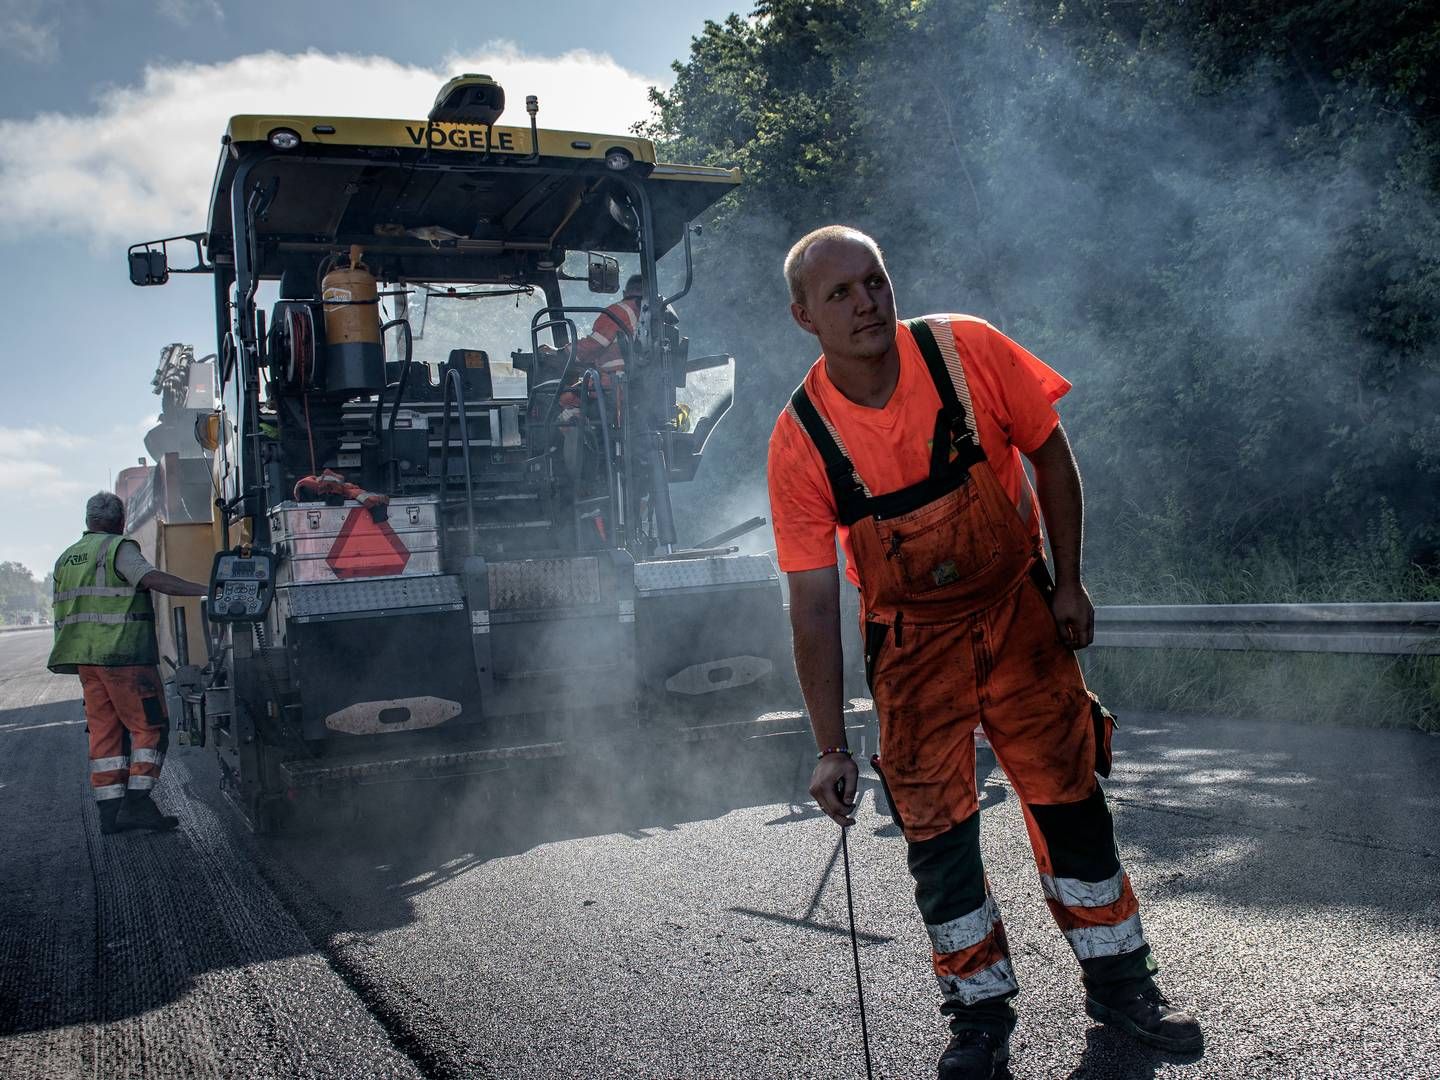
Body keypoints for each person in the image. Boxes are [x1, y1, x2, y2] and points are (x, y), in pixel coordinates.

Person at [766, 226, 1202, 1079]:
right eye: (840, 295)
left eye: (874, 281)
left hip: (1019, 616)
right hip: (911, 648)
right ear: (803, 317)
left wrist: (1068, 582)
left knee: (1070, 800)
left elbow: (1051, 457)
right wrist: (827, 746)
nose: (866, 303)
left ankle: (1122, 985)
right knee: (938, 836)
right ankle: (978, 1017)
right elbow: (813, 602)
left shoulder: (967, 353)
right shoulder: (801, 439)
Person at [47, 492, 209, 835]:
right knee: (150, 727)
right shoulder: (118, 548)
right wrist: (207, 589)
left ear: (88, 520)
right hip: (123, 656)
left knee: (105, 734)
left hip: (86, 661)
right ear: (120, 520)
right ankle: (136, 805)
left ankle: (110, 814)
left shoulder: (67, 558)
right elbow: (152, 579)